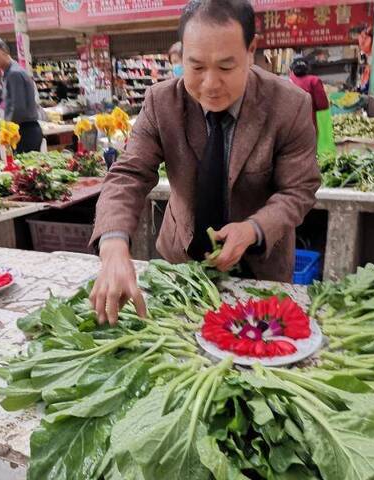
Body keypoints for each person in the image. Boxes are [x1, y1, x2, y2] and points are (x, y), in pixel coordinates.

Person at [88, 0, 320, 325]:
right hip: (181, 264)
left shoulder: (289, 106)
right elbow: (129, 174)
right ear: (182, 54)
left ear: (251, 50)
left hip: (259, 270)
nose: (210, 84)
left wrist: (254, 229)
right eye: (195, 67)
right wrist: (113, 246)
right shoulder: (161, 102)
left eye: (226, 67)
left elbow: (300, 188)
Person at [0, 35, 42, 152]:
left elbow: (17, 108)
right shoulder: (11, 72)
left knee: (25, 168)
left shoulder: (14, 74)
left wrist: (5, 129)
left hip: (24, 132)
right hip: (23, 130)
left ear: (3, 50)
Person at [288, 58, 329, 128]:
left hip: (289, 127)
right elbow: (323, 105)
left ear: (292, 69)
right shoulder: (314, 81)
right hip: (308, 126)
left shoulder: (288, 81)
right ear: (308, 68)